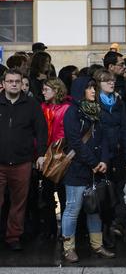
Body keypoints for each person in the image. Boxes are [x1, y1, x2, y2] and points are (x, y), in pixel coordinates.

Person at [61, 76, 115, 263]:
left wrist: (104, 160)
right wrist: (93, 162)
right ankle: (68, 248)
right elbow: (75, 142)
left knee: (94, 209)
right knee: (72, 209)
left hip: (96, 170)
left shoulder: (96, 111)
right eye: (89, 88)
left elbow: (104, 139)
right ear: (80, 90)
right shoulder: (72, 112)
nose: (93, 91)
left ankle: (97, 246)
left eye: (94, 88)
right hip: (77, 170)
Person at [0, 69, 48, 251]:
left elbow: (41, 131)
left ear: (21, 84)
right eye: (10, 81)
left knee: (19, 203)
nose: (13, 84)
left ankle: (13, 237)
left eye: (17, 81)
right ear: (3, 83)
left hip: (22, 162)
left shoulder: (32, 104)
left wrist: (41, 154)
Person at [94, 69, 126, 245]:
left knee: (119, 192)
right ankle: (103, 231)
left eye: (112, 81)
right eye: (106, 81)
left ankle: (117, 226)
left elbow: (124, 130)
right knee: (103, 195)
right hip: (101, 156)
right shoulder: (93, 103)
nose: (111, 83)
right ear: (98, 84)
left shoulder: (119, 102)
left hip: (118, 153)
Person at [39, 78, 73, 238]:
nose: (43, 92)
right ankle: (49, 229)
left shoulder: (66, 108)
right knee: (46, 194)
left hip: (61, 155)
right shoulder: (42, 107)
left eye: (46, 89)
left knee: (63, 193)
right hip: (45, 155)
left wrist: (60, 148)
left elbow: (67, 131)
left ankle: (65, 231)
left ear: (56, 90)